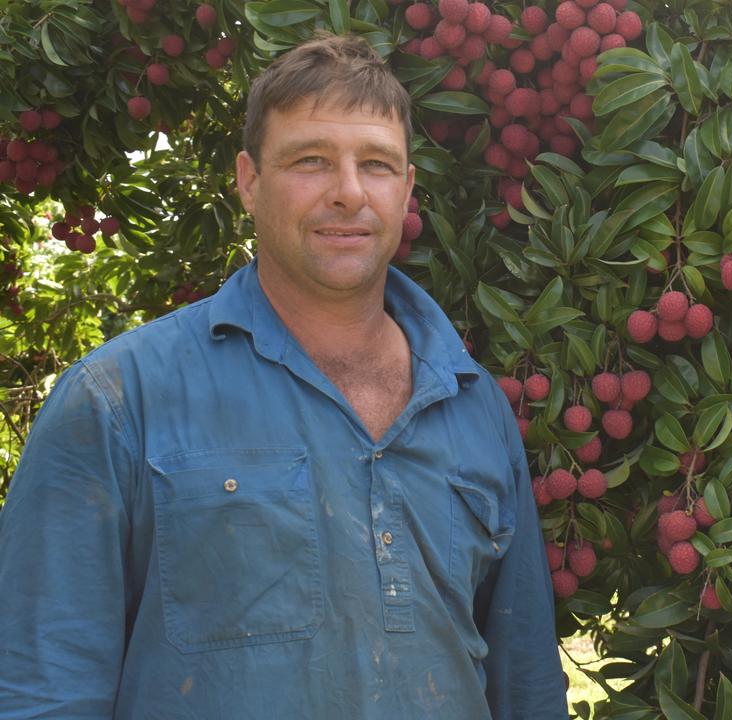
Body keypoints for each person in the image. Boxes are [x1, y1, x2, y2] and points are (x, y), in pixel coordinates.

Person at [0, 34, 567, 719]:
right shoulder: (118, 400)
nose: (349, 193)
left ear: (407, 189)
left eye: (378, 166)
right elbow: (42, 692)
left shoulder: (473, 406)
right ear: (248, 181)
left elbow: (526, 687)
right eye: (311, 161)